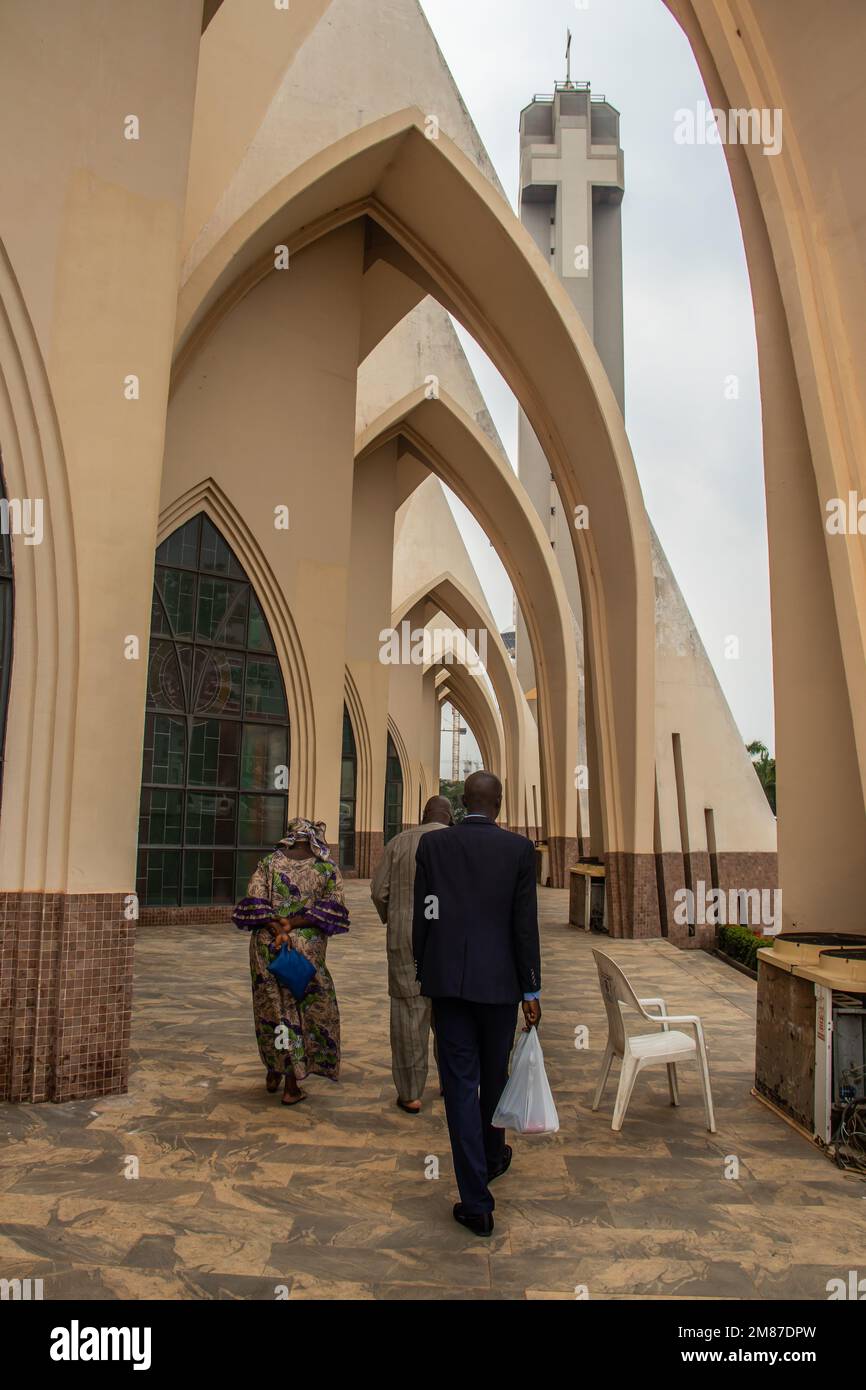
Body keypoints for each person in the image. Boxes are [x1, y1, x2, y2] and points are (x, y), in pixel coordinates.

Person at [412, 770, 541, 1236]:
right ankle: (490, 1159)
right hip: (500, 987)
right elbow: (524, 926)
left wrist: (423, 964)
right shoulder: (519, 851)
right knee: (495, 1076)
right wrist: (531, 989)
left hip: (448, 984)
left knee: (461, 1085)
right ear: (500, 804)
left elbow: (425, 910)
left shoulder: (435, 847)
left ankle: (476, 1198)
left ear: (462, 801)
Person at [232, 818, 349, 1107]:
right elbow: (333, 908)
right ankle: (292, 1086)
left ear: (290, 837)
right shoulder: (326, 867)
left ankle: (274, 1069)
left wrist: (276, 927)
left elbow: (254, 900)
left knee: (273, 1010)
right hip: (305, 950)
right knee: (301, 1011)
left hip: (268, 947)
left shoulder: (269, 863)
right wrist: (294, 924)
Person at [371, 795, 453, 1114]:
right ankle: (449, 1080)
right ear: (449, 817)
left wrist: (395, 916)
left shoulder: (399, 842)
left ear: (423, 815)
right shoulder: (456, 842)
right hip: (447, 940)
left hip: (405, 939)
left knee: (409, 1014)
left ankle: (410, 1093)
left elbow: (379, 892)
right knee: (449, 1014)